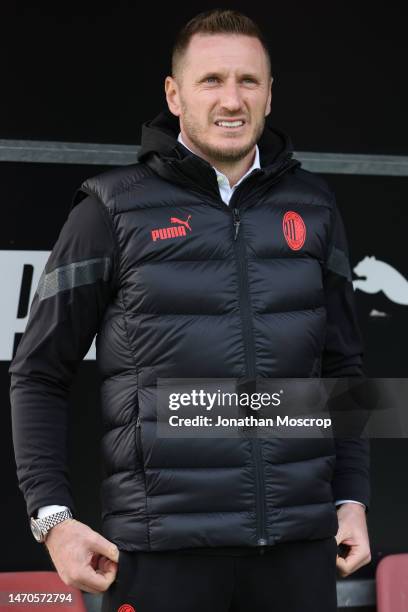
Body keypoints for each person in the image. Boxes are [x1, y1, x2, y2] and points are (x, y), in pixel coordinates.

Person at [9, 8, 371, 612]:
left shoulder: (314, 207)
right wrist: (53, 520)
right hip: (161, 554)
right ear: (174, 95)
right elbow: (38, 372)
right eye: (211, 81)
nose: (232, 100)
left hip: (298, 552)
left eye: (248, 81)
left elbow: (344, 370)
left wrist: (351, 499)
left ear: (271, 94)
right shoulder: (111, 209)